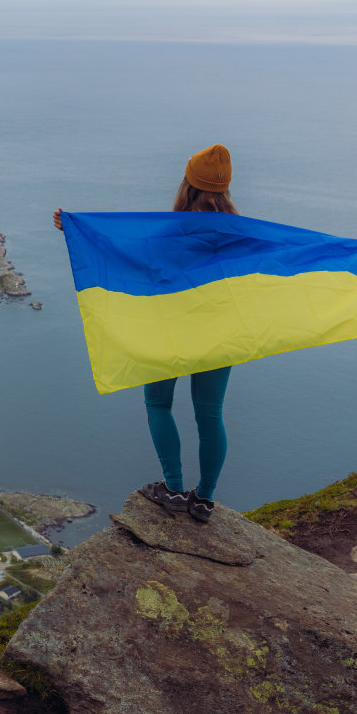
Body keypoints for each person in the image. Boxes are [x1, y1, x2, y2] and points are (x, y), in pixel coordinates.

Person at [54, 144, 236, 524]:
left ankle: (171, 488)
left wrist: (74, 228)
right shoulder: (243, 232)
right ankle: (204, 500)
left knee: (158, 404)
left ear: (188, 183)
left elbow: (124, 251)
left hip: (167, 331)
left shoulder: (168, 231)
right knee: (211, 415)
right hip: (217, 332)